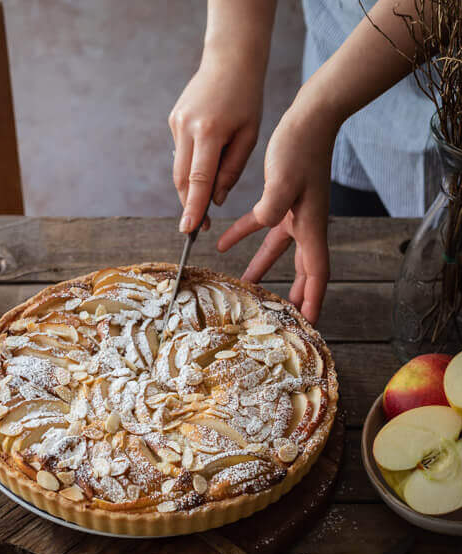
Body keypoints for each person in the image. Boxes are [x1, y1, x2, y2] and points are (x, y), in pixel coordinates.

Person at [169, 0, 437, 325]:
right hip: (338, 71)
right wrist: (229, 54)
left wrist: (317, 113)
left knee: (442, 273)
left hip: (453, 103)